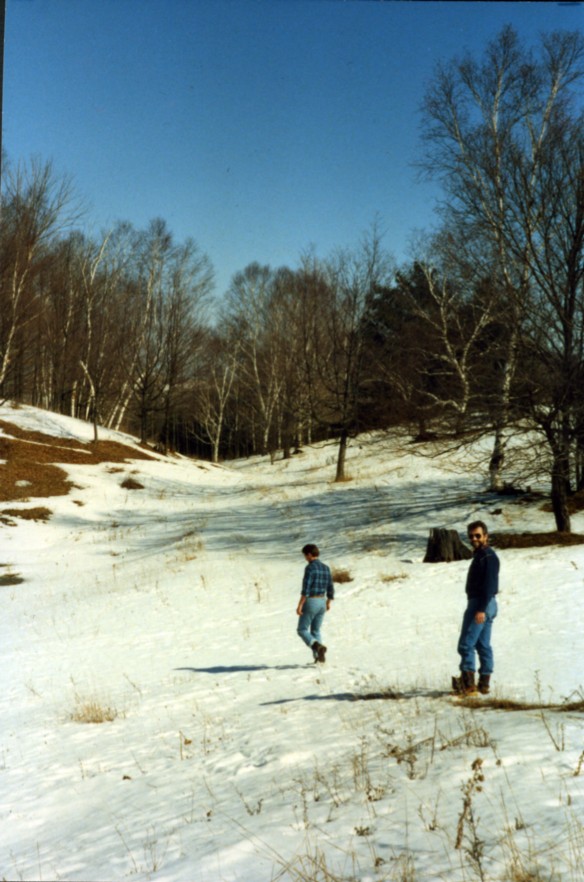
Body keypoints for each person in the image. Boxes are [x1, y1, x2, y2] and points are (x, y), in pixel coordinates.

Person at [452, 520, 499, 695]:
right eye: (471, 536)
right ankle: (484, 684)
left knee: (466, 645)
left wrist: (480, 609)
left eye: (478, 535)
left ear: (486, 536)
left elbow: (489, 584)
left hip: (481, 603)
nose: (474, 539)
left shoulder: (488, 557)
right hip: (486, 603)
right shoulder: (481, 556)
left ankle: (468, 686)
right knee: (482, 644)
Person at [296, 544, 334, 663]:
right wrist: (328, 601)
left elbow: (306, 589)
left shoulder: (310, 568)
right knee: (316, 631)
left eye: (305, 556)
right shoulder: (326, 568)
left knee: (302, 629)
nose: (305, 558)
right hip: (322, 601)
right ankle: (319, 658)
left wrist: (300, 605)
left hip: (311, 601)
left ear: (309, 555)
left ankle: (315, 646)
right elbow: (330, 587)